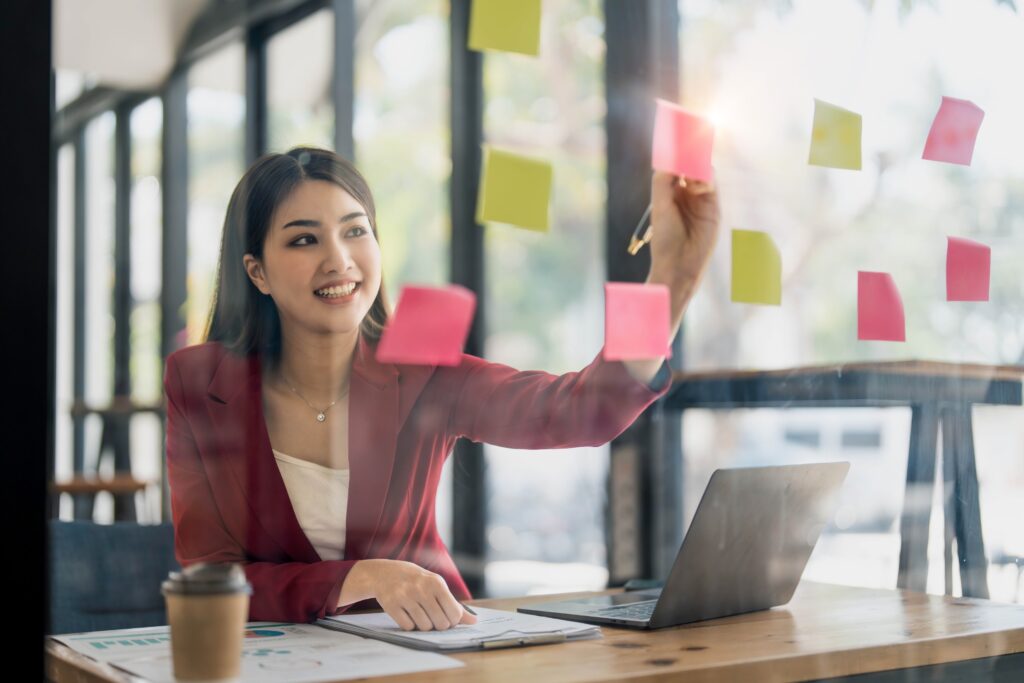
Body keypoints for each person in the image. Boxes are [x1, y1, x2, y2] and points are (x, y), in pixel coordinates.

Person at [163, 146, 720, 631]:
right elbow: (211, 577)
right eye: (304, 239)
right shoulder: (197, 384)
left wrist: (671, 276)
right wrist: (361, 577)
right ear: (256, 272)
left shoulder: (423, 370)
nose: (339, 260)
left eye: (356, 230)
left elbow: (579, 411)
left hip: (431, 655)